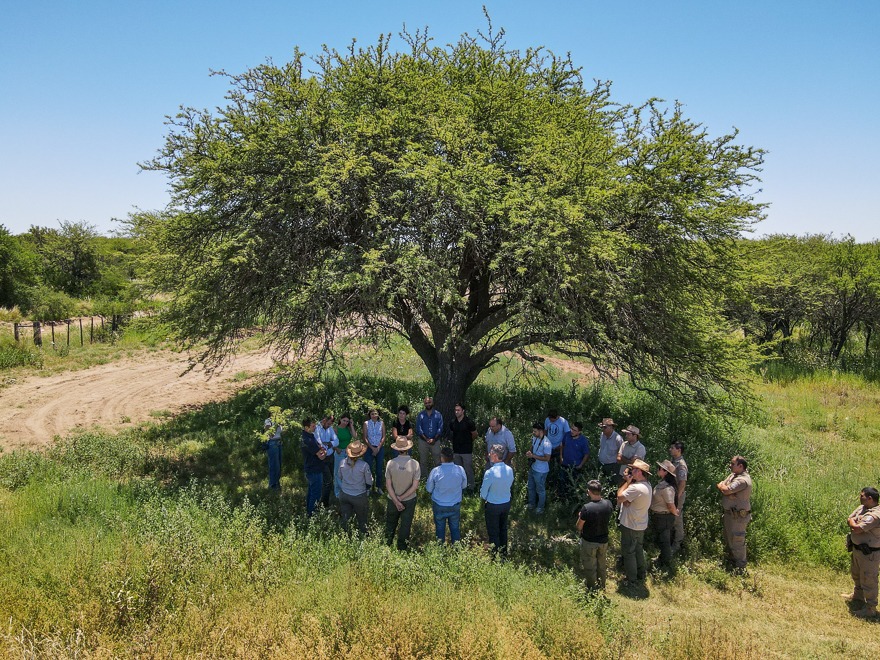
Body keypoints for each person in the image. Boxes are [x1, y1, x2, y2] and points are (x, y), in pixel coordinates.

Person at [843, 487, 880, 619]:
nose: (860, 497)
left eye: (862, 495)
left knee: (869, 579)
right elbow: (849, 519)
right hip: (857, 549)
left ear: (870, 498)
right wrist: (852, 522)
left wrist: (853, 523)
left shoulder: (875, 515)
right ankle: (858, 596)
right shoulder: (862, 508)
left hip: (869, 554)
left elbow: (856, 528)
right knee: (856, 574)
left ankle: (870, 608)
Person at [616, 459, 652, 586]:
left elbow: (620, 498)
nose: (632, 471)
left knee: (628, 551)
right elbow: (627, 501)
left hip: (630, 524)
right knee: (638, 549)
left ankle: (631, 579)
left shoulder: (635, 488)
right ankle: (641, 573)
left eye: (634, 470)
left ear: (640, 472)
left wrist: (627, 482)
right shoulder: (647, 485)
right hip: (640, 524)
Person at [717, 455, 753, 572]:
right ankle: (731, 563)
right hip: (730, 515)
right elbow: (721, 484)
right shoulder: (734, 475)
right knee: (728, 539)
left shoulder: (742, 480)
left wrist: (726, 490)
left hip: (738, 517)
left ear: (740, 466)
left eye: (733, 464)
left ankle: (740, 567)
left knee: (737, 541)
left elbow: (726, 489)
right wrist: (725, 489)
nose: (730, 465)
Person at [384, 436, 421, 551]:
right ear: (408, 448)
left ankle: (386, 546)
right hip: (409, 500)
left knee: (390, 523)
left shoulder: (390, 463)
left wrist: (396, 500)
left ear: (396, 449)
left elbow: (388, 485)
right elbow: (415, 486)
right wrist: (401, 498)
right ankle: (402, 549)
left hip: (392, 499)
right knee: (405, 525)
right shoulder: (415, 464)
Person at [577, 479, 613, 590]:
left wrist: (580, 515)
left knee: (590, 566)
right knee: (601, 566)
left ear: (589, 492)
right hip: (603, 541)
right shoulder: (608, 504)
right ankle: (602, 586)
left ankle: (592, 589)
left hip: (589, 541)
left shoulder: (587, 508)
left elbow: (579, 526)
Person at [426, 446, 467, 543]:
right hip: (455, 504)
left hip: (439, 504)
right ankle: (456, 550)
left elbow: (429, 489)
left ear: (442, 457)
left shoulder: (436, 471)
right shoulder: (460, 470)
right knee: (455, 528)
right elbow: (464, 485)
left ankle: (440, 551)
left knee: (440, 529)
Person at [480, 443, 515, 556]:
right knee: (503, 529)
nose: (489, 455)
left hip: (493, 505)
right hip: (506, 503)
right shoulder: (509, 469)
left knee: (493, 531)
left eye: (490, 453)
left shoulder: (490, 472)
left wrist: (484, 497)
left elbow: (483, 492)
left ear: (495, 455)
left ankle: (495, 555)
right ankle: (504, 552)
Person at [337, 441, 373, 535]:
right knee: (362, 519)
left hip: (344, 494)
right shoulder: (364, 465)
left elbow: (340, 477)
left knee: (345, 518)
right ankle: (364, 536)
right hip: (359, 496)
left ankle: (344, 536)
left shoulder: (342, 463)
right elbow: (369, 482)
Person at [650, 460, 680, 571]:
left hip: (664, 517)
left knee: (665, 540)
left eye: (660, 468)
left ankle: (666, 565)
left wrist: (674, 512)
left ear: (665, 472)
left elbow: (670, 504)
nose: (658, 470)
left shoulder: (667, 487)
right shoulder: (662, 484)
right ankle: (662, 560)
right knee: (661, 540)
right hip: (659, 516)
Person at [447, 403, 477, 492]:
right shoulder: (452, 422)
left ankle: (471, 487)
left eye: (458, 410)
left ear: (463, 411)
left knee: (468, 469)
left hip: (467, 450)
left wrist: (468, 441)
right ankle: (460, 487)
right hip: (456, 450)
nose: (456, 412)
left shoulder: (469, 422)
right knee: (458, 470)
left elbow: (475, 434)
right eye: (455, 410)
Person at [300, 418, 325, 516]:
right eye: (313, 426)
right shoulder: (308, 440)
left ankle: (309, 511)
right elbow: (321, 456)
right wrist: (325, 452)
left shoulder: (307, 436)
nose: (315, 428)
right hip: (314, 469)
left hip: (311, 468)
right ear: (307, 427)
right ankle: (312, 514)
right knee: (316, 493)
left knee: (311, 491)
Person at [526, 422, 552, 514]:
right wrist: (530, 452)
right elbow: (532, 447)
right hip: (533, 467)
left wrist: (533, 456)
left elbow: (547, 458)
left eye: (535, 431)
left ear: (541, 431)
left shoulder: (547, 443)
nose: (533, 433)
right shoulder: (535, 438)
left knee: (540, 490)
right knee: (531, 487)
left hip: (541, 470)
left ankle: (540, 508)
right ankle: (531, 504)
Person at [559, 421, 589, 501]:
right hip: (565, 464)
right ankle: (563, 500)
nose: (572, 431)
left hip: (575, 467)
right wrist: (561, 457)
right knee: (562, 483)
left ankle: (572, 501)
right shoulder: (567, 435)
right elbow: (562, 445)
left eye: (575, 430)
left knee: (574, 485)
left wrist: (581, 465)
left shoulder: (583, 440)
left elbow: (586, 454)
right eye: (571, 429)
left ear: (579, 432)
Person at [416, 397, 444, 478]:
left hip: (435, 441)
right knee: (423, 461)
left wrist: (434, 439)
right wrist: (426, 439)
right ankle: (424, 478)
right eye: (426, 403)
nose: (428, 404)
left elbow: (440, 428)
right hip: (423, 441)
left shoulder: (438, 415)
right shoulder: (421, 415)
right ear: (424, 404)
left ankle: (438, 477)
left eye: (429, 402)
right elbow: (419, 429)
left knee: (438, 461)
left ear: (432, 403)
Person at [669, 441, 688, 554]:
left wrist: (677, 497)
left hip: (677, 495)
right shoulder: (674, 461)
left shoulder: (681, 464)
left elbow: (682, 483)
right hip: (672, 494)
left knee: (677, 519)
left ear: (678, 450)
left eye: (672, 448)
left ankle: (677, 543)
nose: (670, 449)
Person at [544, 410, 570, 493]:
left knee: (561, 468)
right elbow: (545, 431)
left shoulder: (563, 422)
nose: (551, 421)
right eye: (550, 419)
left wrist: (561, 446)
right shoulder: (547, 420)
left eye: (553, 419)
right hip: (549, 448)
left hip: (559, 448)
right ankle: (549, 485)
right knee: (547, 467)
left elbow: (567, 435)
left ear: (557, 417)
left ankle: (561, 488)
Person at [316, 414, 339, 507]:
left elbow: (336, 441)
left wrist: (329, 443)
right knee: (328, 481)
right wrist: (328, 445)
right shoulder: (317, 428)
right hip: (322, 458)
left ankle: (324, 500)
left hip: (330, 456)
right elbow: (319, 442)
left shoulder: (330, 429)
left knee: (329, 480)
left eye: (331, 424)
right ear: (324, 420)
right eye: (328, 423)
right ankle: (324, 503)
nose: (329, 425)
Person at [333, 413, 358, 498]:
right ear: (340, 419)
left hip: (348, 452)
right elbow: (331, 441)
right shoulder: (336, 429)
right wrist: (337, 449)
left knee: (347, 471)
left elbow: (355, 436)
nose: (345, 422)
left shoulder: (348, 428)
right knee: (337, 473)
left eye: (347, 421)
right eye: (344, 420)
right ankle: (338, 492)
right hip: (339, 452)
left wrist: (351, 425)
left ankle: (346, 490)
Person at [363, 409, 386, 494]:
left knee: (379, 469)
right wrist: (372, 448)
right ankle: (368, 488)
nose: (374, 415)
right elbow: (364, 437)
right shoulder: (366, 423)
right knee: (368, 468)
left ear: (378, 414)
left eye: (375, 414)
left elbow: (384, 437)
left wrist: (378, 447)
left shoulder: (381, 423)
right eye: (372, 414)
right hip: (369, 448)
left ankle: (379, 487)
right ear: (370, 415)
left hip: (379, 448)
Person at [263, 417, 283, 490]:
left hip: (279, 443)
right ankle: (272, 485)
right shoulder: (268, 421)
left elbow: (282, 432)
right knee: (274, 465)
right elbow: (268, 433)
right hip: (272, 443)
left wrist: (282, 424)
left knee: (279, 464)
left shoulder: (280, 420)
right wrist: (275, 425)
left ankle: (277, 482)